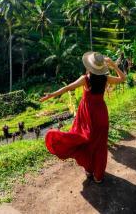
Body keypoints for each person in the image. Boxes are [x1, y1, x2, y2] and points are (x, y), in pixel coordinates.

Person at [40, 52, 126, 183]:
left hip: (87, 116)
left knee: (87, 142)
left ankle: (90, 169)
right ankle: (98, 176)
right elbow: (122, 78)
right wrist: (114, 65)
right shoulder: (106, 78)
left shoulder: (85, 79)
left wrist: (51, 95)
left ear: (89, 66)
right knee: (100, 146)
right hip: (101, 115)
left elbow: (67, 87)